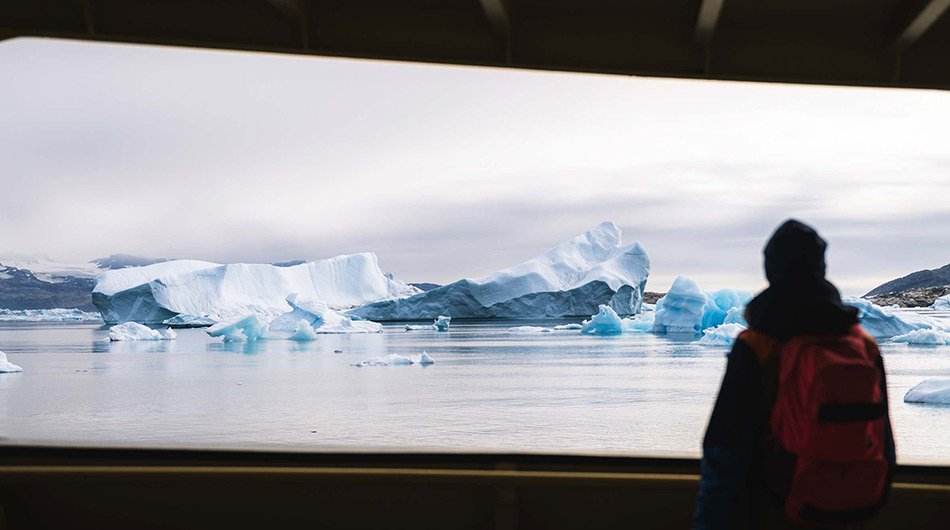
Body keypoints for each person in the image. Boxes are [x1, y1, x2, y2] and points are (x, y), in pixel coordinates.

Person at [693, 219, 896, 529]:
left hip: (775, 507)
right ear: (821, 268)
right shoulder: (862, 345)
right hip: (853, 510)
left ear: (771, 269)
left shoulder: (757, 344)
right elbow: (885, 440)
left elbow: (722, 448)